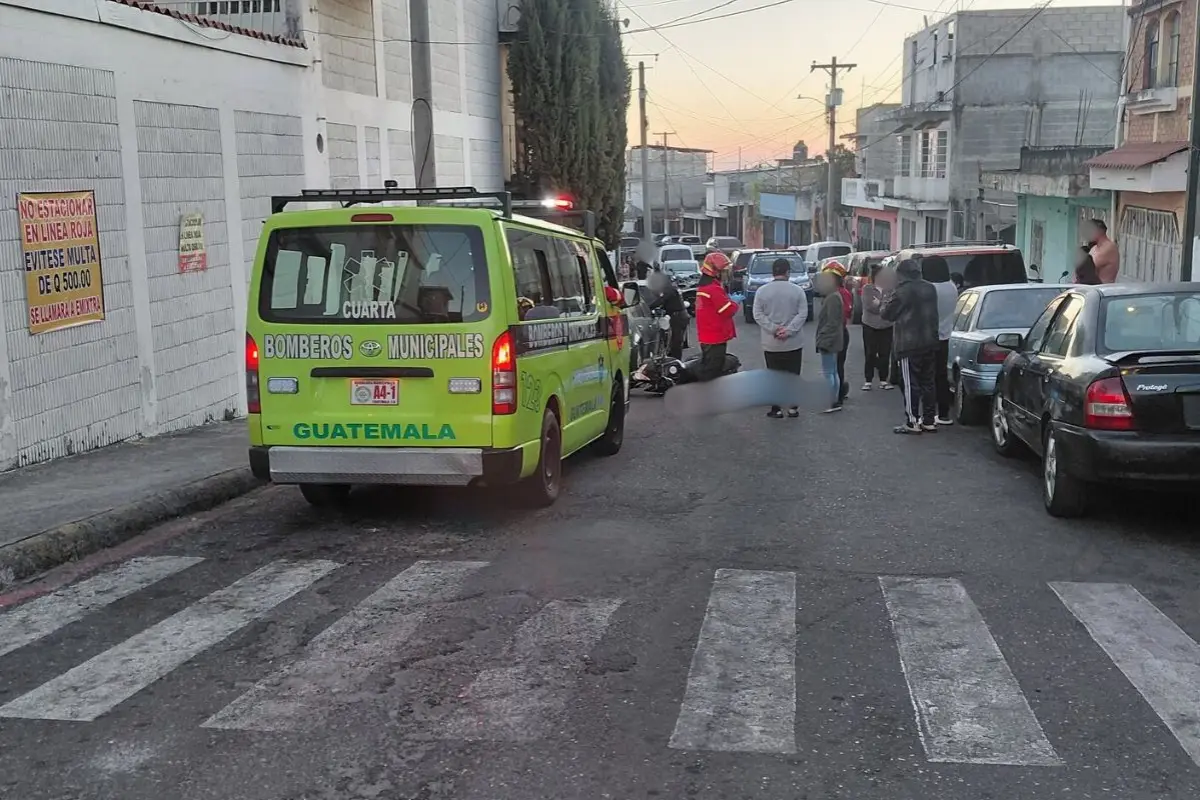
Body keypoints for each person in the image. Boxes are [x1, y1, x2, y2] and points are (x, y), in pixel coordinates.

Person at [880, 258, 940, 435]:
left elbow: (887, 314)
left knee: (909, 383)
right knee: (928, 383)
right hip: (930, 341)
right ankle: (929, 421)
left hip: (909, 344)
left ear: (901, 275)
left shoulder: (902, 291)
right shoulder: (930, 288)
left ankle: (912, 421)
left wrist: (885, 299)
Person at [752, 257, 808, 418]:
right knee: (793, 374)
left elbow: (758, 314)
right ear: (788, 272)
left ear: (773, 273)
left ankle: (776, 408)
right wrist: (789, 330)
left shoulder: (762, 291)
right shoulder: (798, 291)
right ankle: (792, 407)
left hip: (771, 342)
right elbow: (802, 313)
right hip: (794, 342)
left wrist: (774, 329)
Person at [921, 255, 958, 425]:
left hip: (927, 336)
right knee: (941, 376)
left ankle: (927, 414)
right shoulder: (951, 287)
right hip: (945, 336)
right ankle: (944, 414)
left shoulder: (929, 288)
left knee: (926, 377)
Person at [694, 251, 739, 380]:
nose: (726, 275)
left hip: (708, 336)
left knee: (710, 368)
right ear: (716, 272)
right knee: (713, 372)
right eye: (724, 271)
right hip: (715, 337)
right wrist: (734, 303)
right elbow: (727, 310)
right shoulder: (713, 289)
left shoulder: (705, 287)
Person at [814, 266, 846, 413]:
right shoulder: (833, 295)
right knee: (832, 371)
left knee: (829, 372)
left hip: (829, 340)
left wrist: (822, 336)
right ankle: (833, 400)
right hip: (833, 339)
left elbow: (832, 322)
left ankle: (830, 401)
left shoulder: (833, 297)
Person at [860, 263, 895, 391]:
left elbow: (891, 305)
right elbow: (869, 306)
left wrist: (879, 303)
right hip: (870, 325)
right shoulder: (867, 289)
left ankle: (883, 380)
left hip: (886, 325)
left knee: (885, 353)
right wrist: (883, 304)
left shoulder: (890, 289)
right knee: (870, 353)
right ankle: (868, 380)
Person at [822, 262, 853, 403]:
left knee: (836, 367)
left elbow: (844, 314)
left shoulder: (841, 294)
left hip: (838, 333)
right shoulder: (831, 293)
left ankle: (837, 396)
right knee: (834, 367)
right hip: (837, 332)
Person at [646, 268, 690, 360]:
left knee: (676, 342)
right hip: (679, 316)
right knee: (676, 341)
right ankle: (674, 359)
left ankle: (675, 362)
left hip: (678, 316)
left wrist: (648, 307)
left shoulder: (669, 289)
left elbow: (662, 300)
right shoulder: (670, 288)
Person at [1084, 218, 1120, 283]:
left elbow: (1087, 268)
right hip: (1092, 288)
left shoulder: (1109, 247)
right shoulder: (1094, 248)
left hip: (1104, 289)